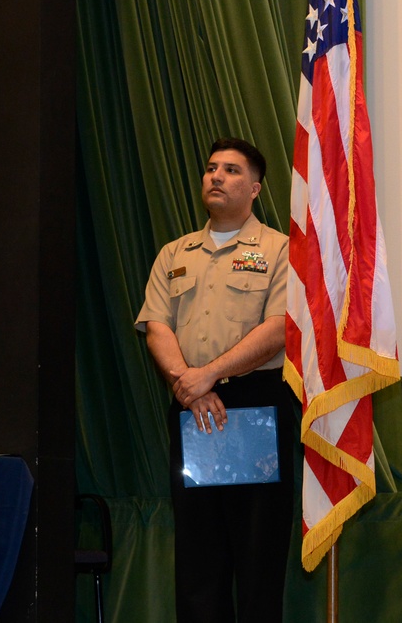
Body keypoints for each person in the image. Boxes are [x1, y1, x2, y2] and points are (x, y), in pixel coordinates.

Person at [134, 138, 294, 622]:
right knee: (199, 553)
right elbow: (157, 326)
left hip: (256, 404)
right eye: (210, 169)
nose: (215, 177)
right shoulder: (174, 253)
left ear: (255, 188)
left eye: (229, 170)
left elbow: (280, 327)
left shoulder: (280, 248)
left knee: (257, 550)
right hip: (191, 406)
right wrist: (189, 384)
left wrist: (209, 375)